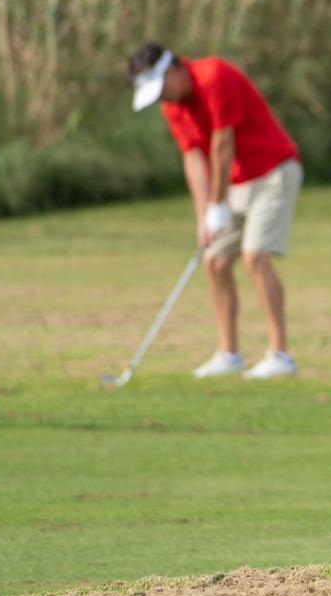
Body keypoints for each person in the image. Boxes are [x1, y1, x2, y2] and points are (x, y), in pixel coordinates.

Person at [129, 43, 303, 380]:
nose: (162, 99)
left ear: (173, 70)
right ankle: (229, 354)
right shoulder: (173, 106)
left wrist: (217, 204)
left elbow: (223, 145)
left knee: (255, 257)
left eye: (162, 89)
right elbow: (193, 159)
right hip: (234, 184)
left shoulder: (214, 76)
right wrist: (203, 217)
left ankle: (280, 355)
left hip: (273, 173)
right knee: (215, 261)